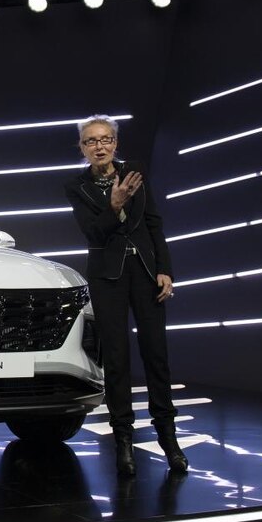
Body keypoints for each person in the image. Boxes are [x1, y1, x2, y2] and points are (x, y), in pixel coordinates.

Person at [64, 115, 188, 477]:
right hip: (108, 277)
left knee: (156, 355)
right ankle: (123, 442)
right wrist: (114, 204)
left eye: (105, 139)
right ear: (82, 148)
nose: (99, 146)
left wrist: (164, 269)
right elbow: (93, 234)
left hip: (146, 273)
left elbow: (153, 222)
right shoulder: (76, 186)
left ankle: (169, 439)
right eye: (91, 141)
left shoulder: (135, 171)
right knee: (116, 360)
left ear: (115, 143)